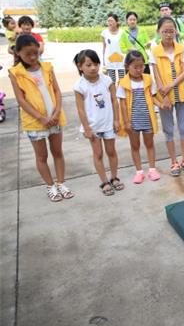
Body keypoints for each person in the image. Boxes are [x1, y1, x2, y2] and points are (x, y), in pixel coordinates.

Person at [8, 35, 74, 202]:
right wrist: (42, 118)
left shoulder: (47, 67)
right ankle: (50, 186)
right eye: (27, 54)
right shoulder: (16, 73)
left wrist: (57, 112)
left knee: (58, 152)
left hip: (55, 118)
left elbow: (58, 91)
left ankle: (61, 183)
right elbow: (21, 100)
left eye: (35, 53)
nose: (32, 57)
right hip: (35, 123)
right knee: (41, 156)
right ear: (18, 53)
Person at [73, 49, 124, 195]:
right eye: (88, 65)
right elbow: (80, 109)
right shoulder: (79, 85)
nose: (93, 68)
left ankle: (114, 178)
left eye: (96, 64)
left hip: (108, 124)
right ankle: (104, 181)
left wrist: (116, 119)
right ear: (79, 66)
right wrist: (87, 128)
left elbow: (115, 100)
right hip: (93, 127)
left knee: (111, 151)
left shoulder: (107, 80)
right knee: (98, 154)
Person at [150, 17, 184, 176]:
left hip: (182, 94)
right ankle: (174, 162)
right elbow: (157, 76)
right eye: (165, 31)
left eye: (171, 31)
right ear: (158, 32)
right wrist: (165, 94)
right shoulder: (154, 51)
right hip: (164, 97)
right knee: (168, 130)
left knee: (183, 128)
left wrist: (170, 86)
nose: (168, 34)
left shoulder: (182, 48)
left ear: (176, 31)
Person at [117, 50, 161, 184]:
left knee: (149, 144)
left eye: (141, 66)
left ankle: (152, 169)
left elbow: (153, 97)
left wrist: (161, 104)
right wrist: (126, 122)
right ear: (126, 67)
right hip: (132, 121)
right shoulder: (123, 83)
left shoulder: (148, 79)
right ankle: (139, 172)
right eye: (135, 67)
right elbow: (123, 104)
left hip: (147, 118)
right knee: (135, 146)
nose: (138, 69)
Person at [101, 13, 125, 84]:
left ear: (117, 22)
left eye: (111, 21)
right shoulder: (104, 33)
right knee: (111, 81)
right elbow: (104, 47)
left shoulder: (122, 32)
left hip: (121, 61)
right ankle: (113, 95)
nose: (109, 23)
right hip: (109, 60)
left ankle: (121, 95)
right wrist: (104, 62)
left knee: (122, 81)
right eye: (108, 21)